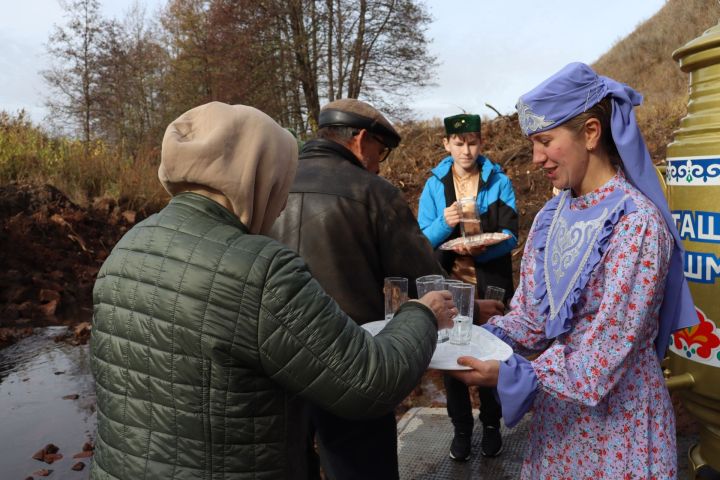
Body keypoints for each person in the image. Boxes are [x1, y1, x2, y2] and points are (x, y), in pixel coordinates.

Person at [89, 101, 457, 480]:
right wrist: (422, 313)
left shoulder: (129, 245)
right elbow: (370, 381)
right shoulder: (258, 267)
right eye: (281, 183)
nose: (281, 206)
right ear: (254, 175)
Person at [450, 62, 698, 479]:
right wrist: (474, 341)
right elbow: (532, 316)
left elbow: (607, 351)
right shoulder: (552, 216)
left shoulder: (636, 223)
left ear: (590, 133)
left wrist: (512, 373)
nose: (535, 158)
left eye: (546, 141)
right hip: (560, 420)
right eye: (533, 143)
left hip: (619, 426)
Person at [269, 98, 447, 480]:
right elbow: (422, 277)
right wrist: (471, 307)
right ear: (361, 139)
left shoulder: (269, 184)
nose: (379, 163)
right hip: (350, 363)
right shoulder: (374, 192)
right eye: (379, 152)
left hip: (275, 365)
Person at [417, 113, 518, 460]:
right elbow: (422, 241)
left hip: (491, 285)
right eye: (459, 143)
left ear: (481, 142)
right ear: (447, 144)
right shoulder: (435, 184)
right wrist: (444, 225)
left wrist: (484, 247)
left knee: (492, 353)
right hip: (450, 285)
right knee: (451, 357)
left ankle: (492, 425)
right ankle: (461, 429)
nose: (466, 149)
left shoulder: (497, 180)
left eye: (472, 142)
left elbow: (510, 233)